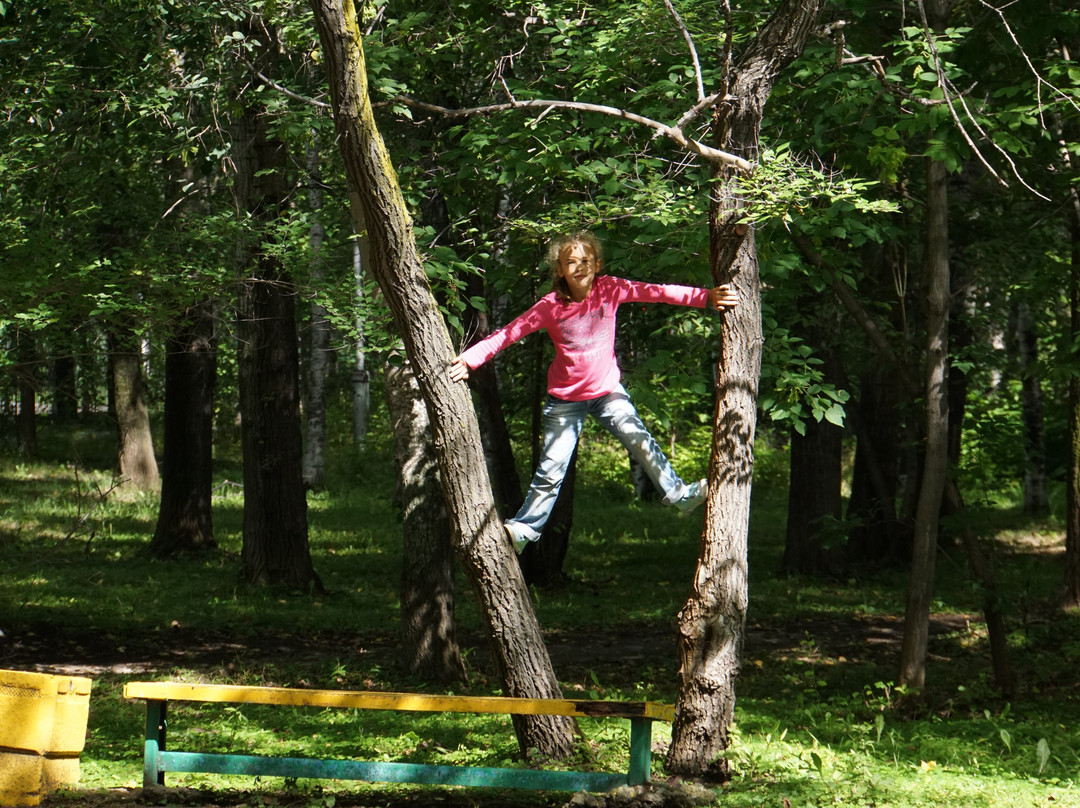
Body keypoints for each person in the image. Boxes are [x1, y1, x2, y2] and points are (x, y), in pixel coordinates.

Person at [449, 231, 737, 553]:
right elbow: (509, 334)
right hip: (565, 400)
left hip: (606, 391)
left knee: (640, 441)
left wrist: (706, 298)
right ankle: (523, 529)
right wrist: (470, 359)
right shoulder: (551, 306)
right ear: (559, 270)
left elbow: (657, 292)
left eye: (585, 260)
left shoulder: (610, 289)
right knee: (551, 470)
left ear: (597, 264)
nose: (578, 266)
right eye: (570, 262)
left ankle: (680, 496)